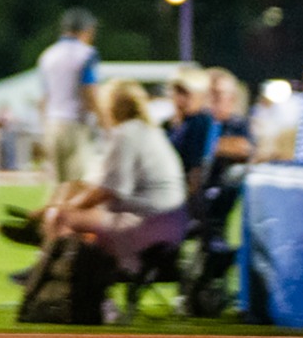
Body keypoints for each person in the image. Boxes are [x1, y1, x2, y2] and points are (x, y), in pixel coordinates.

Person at [34, 79, 189, 278]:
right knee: (73, 209)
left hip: (148, 226)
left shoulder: (125, 135)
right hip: (171, 225)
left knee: (61, 218)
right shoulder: (147, 131)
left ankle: (60, 282)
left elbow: (108, 191)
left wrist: (62, 208)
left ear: (111, 107)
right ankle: (62, 272)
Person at [35, 8, 100, 185]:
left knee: (57, 186)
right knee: (77, 186)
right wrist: (105, 121)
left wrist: (43, 128)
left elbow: (43, 98)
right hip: (75, 124)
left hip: (52, 123)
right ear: (87, 30)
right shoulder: (86, 54)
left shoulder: (47, 55)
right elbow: (90, 92)